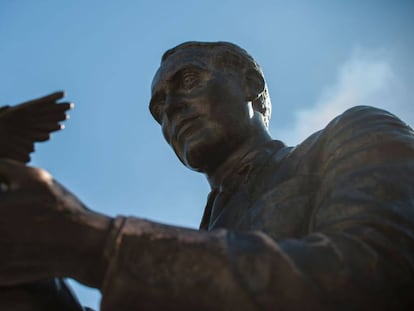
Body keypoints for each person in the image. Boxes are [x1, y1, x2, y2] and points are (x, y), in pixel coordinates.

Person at [1, 41, 414, 310]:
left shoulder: (353, 135)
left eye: (189, 81)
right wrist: (34, 275)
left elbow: (380, 274)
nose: (172, 109)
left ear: (250, 85)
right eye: (159, 108)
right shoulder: (192, 246)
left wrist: (99, 245)